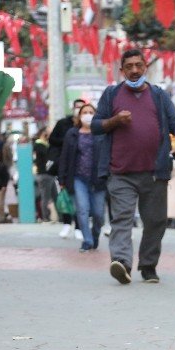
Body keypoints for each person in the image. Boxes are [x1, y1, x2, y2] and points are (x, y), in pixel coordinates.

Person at [92, 49, 175, 284]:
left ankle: (148, 266)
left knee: (155, 221)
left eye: (138, 65)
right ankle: (122, 263)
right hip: (120, 172)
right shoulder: (111, 94)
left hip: (155, 172)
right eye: (129, 67)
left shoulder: (159, 95)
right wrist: (115, 121)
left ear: (145, 67)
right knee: (122, 219)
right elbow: (95, 125)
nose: (134, 70)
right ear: (121, 70)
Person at [58, 103, 105, 252]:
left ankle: (95, 235)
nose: (88, 115)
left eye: (91, 112)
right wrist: (62, 178)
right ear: (79, 115)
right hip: (79, 178)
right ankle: (87, 241)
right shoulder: (72, 133)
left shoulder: (101, 133)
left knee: (98, 214)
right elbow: (64, 156)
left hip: (98, 179)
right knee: (82, 210)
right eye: (85, 112)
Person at [33, 127, 54, 222]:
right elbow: (48, 155)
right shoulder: (39, 145)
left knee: (53, 195)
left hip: (49, 174)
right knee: (45, 196)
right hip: (44, 174)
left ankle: (59, 216)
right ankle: (46, 217)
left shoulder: (46, 144)